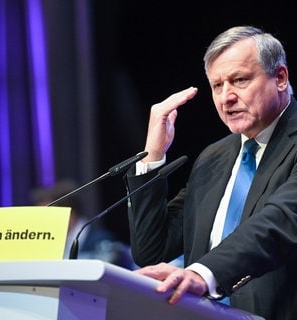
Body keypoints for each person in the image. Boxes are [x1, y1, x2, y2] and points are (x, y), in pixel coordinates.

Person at [124, 25, 297, 320]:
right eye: (217, 86)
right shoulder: (213, 158)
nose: (226, 97)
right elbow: (152, 251)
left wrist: (203, 274)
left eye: (239, 80)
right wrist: (153, 155)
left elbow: (278, 223)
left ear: (279, 78)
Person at [30, 179, 136, 269]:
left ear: (68, 212)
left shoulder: (103, 242)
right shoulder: (47, 246)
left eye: (47, 215)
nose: (42, 222)